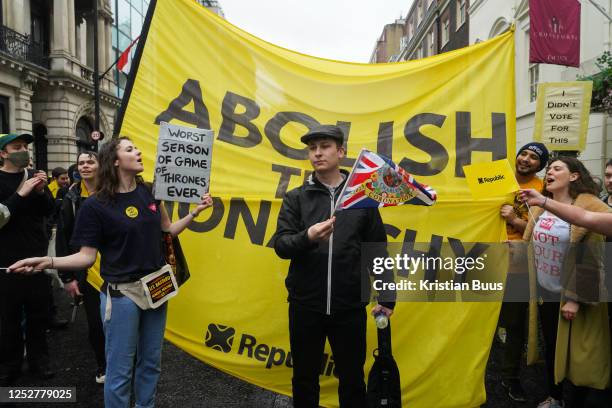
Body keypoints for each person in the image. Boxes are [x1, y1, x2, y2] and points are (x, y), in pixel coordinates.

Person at [8, 136, 213, 408]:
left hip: (157, 288)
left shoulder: (151, 191)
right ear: (115, 161)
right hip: (122, 297)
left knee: (151, 363)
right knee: (119, 372)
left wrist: (195, 213)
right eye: (130, 149)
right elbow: (86, 256)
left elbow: (168, 231)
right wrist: (48, 262)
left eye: (137, 148)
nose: (139, 152)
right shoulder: (95, 205)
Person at [272, 124, 395, 408]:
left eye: (324, 146)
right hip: (306, 306)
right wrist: (308, 236)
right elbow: (281, 245)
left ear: (341, 152)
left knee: (352, 381)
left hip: (349, 307)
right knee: (304, 380)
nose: (317, 153)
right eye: (312, 148)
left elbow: (376, 251)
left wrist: (387, 297)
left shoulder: (362, 200)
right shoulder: (296, 197)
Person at [522, 157, 610, 408]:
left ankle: (579, 401)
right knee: (552, 346)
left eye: (557, 168)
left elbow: (594, 254)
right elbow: (532, 244)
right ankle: (556, 396)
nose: (549, 171)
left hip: (575, 296)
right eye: (548, 169)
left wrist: (574, 297)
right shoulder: (539, 206)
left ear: (573, 176)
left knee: (580, 354)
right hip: (546, 292)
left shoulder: (591, 205)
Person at [0, 133, 56, 385]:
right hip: (6, 263)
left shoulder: (33, 175)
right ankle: (10, 365)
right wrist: (21, 194)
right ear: (3, 153)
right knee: (7, 319)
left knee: (38, 315)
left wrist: (42, 191)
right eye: (17, 147)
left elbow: (48, 211)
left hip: (36, 259)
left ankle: (38, 361)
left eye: (25, 146)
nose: (24, 150)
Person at [498, 142, 548, 402]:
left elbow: (543, 230)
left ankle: (510, 378)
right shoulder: (497, 176)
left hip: (519, 266)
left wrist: (514, 221)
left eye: (534, 158)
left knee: (514, 323)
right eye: (524, 153)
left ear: (540, 165)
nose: (526, 159)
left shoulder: (543, 190)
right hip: (486, 259)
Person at [55, 151, 106, 384]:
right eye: (81, 163)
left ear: (100, 165)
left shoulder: (115, 191)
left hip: (121, 271)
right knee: (96, 324)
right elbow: (64, 238)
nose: (85, 166)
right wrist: (67, 277)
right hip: (90, 273)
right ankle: (103, 365)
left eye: (90, 162)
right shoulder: (72, 196)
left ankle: (125, 365)